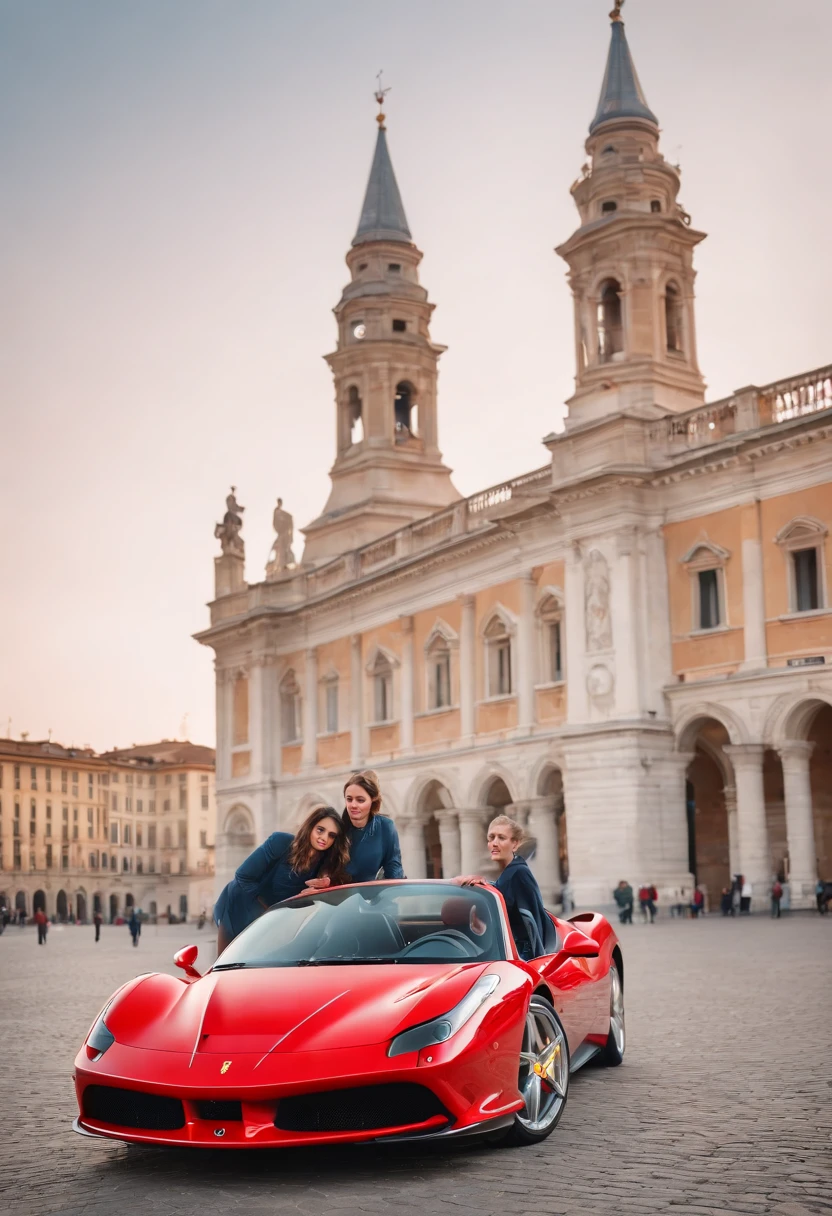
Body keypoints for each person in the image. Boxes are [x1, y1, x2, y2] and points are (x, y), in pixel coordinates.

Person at [214, 806, 351, 954]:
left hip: (275, 921)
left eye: (332, 835)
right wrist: (269, 913)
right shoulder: (281, 842)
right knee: (228, 964)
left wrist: (329, 883)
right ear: (310, 827)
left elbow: (342, 883)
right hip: (239, 904)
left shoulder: (325, 863)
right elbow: (243, 876)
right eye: (320, 830)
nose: (324, 838)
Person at [455, 815, 549, 961]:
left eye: (501, 838)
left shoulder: (518, 872)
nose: (494, 843)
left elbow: (532, 920)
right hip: (508, 953)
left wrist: (534, 961)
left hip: (522, 957)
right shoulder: (511, 871)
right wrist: (485, 883)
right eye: (491, 838)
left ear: (515, 844)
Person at [337, 771, 404, 884]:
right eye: (349, 799)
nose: (353, 805)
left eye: (360, 800)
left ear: (372, 800)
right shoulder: (337, 828)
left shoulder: (385, 827)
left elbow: (394, 870)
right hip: (339, 897)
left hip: (371, 897)